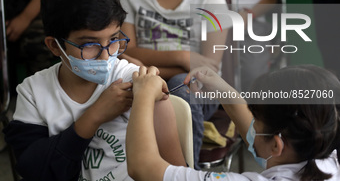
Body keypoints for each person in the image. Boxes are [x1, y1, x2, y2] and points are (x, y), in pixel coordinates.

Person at [3, 0, 186, 181]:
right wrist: (94, 116)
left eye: (114, 39)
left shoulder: (138, 84)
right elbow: (36, 171)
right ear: (55, 46)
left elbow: (176, 174)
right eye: (89, 44)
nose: (105, 55)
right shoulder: (33, 93)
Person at [119, 0, 231, 169]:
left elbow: (207, 68)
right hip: (140, 80)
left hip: (199, 88)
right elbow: (126, 53)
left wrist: (152, 70)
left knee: (182, 87)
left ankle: (186, 172)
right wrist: (183, 56)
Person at [127, 64, 340, 181]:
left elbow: (143, 168)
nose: (252, 124)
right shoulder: (324, 157)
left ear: (276, 145)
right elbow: (260, 142)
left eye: (257, 120)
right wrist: (221, 87)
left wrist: (144, 95)